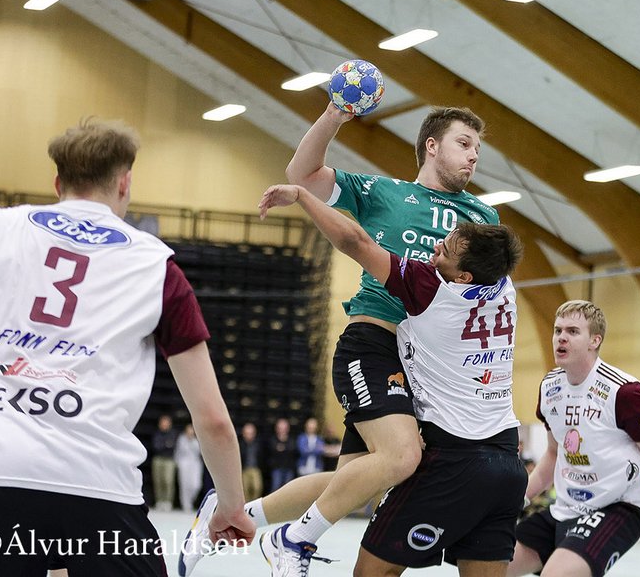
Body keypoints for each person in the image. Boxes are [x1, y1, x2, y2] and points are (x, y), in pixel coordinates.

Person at [0, 118, 254, 577]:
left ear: (58, 182)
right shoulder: (157, 267)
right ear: (124, 182)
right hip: (98, 486)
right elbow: (212, 419)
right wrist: (231, 504)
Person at [178, 103, 498, 576]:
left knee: (352, 481)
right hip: (374, 343)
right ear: (432, 146)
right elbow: (302, 174)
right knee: (401, 456)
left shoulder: (482, 215)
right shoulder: (385, 192)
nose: (473, 156)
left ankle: (228, 516)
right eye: (464, 144)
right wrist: (335, 114)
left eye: (477, 149)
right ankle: (292, 540)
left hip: (426, 365)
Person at [259, 182, 526, 576]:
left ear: (463, 277)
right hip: (507, 462)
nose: (436, 247)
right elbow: (496, 249)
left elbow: (355, 241)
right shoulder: (506, 291)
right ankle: (249, 518)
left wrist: (303, 196)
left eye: (446, 249)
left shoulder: (432, 289)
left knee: (371, 566)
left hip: (454, 456)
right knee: (354, 478)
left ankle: (296, 536)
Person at [508, 300, 640, 577]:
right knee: (489, 565)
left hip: (617, 508)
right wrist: (517, 499)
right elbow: (553, 454)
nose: (561, 337)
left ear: (595, 340)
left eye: (572, 331)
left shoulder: (626, 394)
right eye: (558, 330)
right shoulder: (550, 387)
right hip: (564, 509)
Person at [175, 423, 204, 513]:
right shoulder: (181, 439)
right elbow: (178, 452)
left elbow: (200, 452)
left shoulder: (197, 440)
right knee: (184, 485)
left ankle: (190, 501)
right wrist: (178, 464)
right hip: (184, 464)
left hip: (195, 464)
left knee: (196, 485)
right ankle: (186, 504)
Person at [153, 414, 178, 510]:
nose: (164, 424)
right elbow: (156, 446)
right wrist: (166, 444)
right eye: (162, 422)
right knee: (158, 481)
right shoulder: (157, 433)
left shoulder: (173, 434)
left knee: (168, 481)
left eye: (166, 422)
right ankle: (159, 501)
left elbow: (172, 445)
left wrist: (165, 445)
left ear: (169, 424)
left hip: (169, 459)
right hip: (158, 459)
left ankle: (168, 501)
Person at [268, 417, 298, 493]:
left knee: (288, 490)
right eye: (280, 428)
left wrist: (282, 448)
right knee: (275, 488)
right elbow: (272, 450)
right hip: (276, 468)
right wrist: (286, 448)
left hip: (289, 468)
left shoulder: (292, 439)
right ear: (276, 429)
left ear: (288, 429)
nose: (282, 430)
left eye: (284, 428)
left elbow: (293, 449)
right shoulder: (272, 439)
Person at [239, 421, 264, 502]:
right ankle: (246, 505)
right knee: (245, 489)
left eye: (251, 433)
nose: (249, 435)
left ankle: (254, 503)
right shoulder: (240, 445)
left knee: (257, 487)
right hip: (244, 469)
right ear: (243, 434)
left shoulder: (258, 444)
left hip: (255, 469)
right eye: (247, 433)